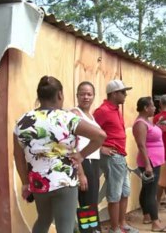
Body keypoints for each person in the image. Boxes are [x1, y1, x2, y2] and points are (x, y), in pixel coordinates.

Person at [13, 76, 106, 233]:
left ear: (39, 96)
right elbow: (100, 136)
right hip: (64, 182)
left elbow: (18, 156)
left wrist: (25, 183)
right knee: (65, 227)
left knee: (43, 220)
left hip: (38, 183)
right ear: (60, 95)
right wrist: (81, 155)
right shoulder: (67, 118)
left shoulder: (22, 122)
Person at [93, 79, 138, 233]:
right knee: (115, 194)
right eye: (123, 92)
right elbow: (90, 132)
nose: (125, 95)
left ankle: (122, 224)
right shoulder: (103, 110)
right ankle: (114, 228)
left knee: (124, 192)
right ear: (114, 94)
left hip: (120, 156)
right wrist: (100, 148)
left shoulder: (114, 109)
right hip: (112, 156)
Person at [132, 97, 166, 232]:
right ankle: (156, 223)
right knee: (151, 192)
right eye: (152, 106)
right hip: (149, 162)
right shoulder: (140, 124)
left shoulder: (147, 122)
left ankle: (147, 216)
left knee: (146, 189)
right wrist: (148, 165)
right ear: (145, 108)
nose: (155, 108)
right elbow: (141, 145)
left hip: (154, 161)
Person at [71, 81, 102, 232]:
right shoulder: (75, 113)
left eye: (89, 94)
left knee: (91, 203)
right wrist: (80, 173)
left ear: (94, 96)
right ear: (77, 95)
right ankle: (89, 231)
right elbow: (72, 146)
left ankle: (92, 230)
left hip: (94, 162)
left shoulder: (91, 115)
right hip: (84, 163)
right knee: (86, 205)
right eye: (82, 93)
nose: (86, 97)